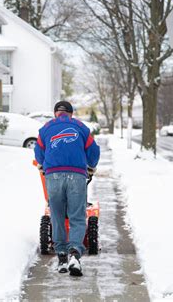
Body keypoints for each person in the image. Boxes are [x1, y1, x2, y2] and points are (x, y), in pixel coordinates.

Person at [34, 101, 100, 277]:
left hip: (53, 176)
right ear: (71, 114)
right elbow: (94, 150)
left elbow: (38, 151)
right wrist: (91, 166)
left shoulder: (45, 128)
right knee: (77, 217)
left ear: (56, 113)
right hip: (77, 176)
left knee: (56, 215)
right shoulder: (81, 127)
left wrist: (42, 165)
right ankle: (75, 255)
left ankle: (61, 255)